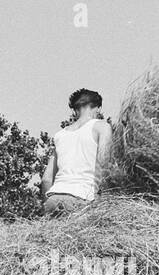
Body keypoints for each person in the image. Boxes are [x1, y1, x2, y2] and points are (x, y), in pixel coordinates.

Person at [42, 88, 111, 217]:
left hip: (54, 197)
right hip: (82, 197)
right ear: (98, 108)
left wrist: (47, 203)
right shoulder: (101, 127)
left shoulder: (60, 135)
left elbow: (46, 179)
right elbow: (103, 162)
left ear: (75, 109)